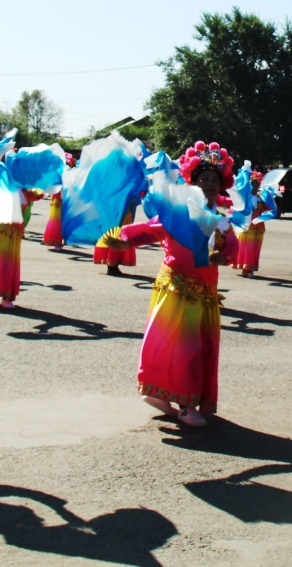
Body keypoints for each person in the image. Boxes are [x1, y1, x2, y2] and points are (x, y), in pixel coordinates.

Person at [121, 141, 238, 427]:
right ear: (192, 183)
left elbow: (232, 248)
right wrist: (122, 237)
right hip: (177, 287)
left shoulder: (221, 220)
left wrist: (222, 257)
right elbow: (152, 228)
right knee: (179, 346)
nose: (209, 184)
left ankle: (173, 397)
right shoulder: (180, 211)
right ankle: (183, 405)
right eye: (203, 179)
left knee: (198, 347)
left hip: (205, 291)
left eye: (214, 179)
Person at [94, 191, 142, 276]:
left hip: (121, 205)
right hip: (118, 206)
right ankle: (112, 264)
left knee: (119, 232)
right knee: (117, 232)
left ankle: (112, 263)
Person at [234, 170, 267, 278]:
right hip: (247, 226)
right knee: (246, 247)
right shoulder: (244, 197)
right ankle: (247, 268)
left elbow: (268, 209)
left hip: (258, 226)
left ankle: (249, 267)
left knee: (254, 248)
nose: (255, 187)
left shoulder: (261, 197)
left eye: (256, 184)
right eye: (252, 184)